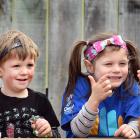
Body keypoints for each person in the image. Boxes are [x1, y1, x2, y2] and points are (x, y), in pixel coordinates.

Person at [61, 33, 140, 138]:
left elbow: (135, 119)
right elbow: (78, 131)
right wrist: (94, 99)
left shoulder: (130, 87)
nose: (117, 70)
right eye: (108, 64)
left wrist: (132, 128)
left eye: (122, 63)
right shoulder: (78, 86)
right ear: (90, 66)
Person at [0, 30, 60, 138]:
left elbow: (57, 135)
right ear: (0, 70)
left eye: (29, 65)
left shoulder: (41, 101)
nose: (24, 72)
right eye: (16, 66)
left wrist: (48, 132)